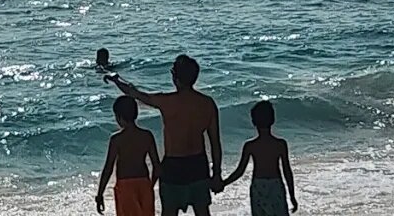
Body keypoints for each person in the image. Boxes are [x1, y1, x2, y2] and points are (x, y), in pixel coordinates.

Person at [107, 55, 223, 216]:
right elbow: (215, 144)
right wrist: (217, 173)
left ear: (175, 77)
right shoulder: (207, 104)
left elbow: (136, 94)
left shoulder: (167, 102)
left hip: (173, 167)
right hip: (198, 165)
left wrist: (117, 80)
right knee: (202, 212)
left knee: (169, 212)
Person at [222, 101, 298, 215]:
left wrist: (224, 183)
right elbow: (287, 171)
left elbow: (240, 171)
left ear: (253, 122)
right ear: (273, 120)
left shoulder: (250, 146)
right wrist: (292, 196)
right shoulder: (280, 144)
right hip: (276, 185)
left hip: (258, 186)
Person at [96, 95, 160, 215]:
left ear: (119, 117)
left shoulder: (116, 139)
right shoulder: (147, 136)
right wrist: (150, 186)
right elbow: (157, 167)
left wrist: (100, 194)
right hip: (144, 184)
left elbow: (108, 168)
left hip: (125, 186)